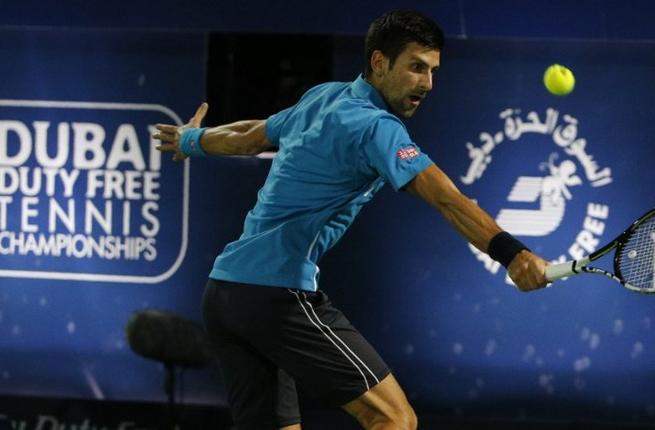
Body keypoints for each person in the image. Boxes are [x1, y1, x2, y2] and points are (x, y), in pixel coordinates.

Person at [154, 10, 548, 430]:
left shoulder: (324, 96)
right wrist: (513, 254)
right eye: (416, 67)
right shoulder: (377, 128)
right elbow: (447, 199)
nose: (427, 84)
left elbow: (251, 136)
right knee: (394, 419)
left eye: (432, 71)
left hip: (225, 295)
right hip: (276, 296)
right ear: (379, 63)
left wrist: (192, 140)